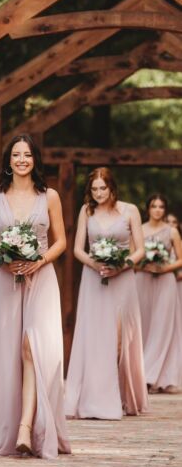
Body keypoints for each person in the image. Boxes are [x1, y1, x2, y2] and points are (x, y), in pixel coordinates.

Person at [0, 134, 71, 459]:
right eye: (16, 155)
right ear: (8, 160)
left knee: (33, 348)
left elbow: (60, 241)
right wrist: (1, 260)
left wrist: (39, 260)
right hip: (5, 281)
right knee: (7, 352)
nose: (22, 160)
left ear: (35, 160)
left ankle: (27, 428)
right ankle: (5, 425)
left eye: (27, 155)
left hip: (41, 280)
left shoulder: (50, 196)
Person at [64, 167, 148, 420]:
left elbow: (140, 251)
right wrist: (95, 265)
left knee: (121, 338)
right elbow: (78, 249)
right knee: (96, 335)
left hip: (123, 280)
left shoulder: (130, 210)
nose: (99, 193)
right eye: (94, 189)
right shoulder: (86, 211)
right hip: (94, 278)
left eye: (103, 188)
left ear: (112, 188)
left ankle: (122, 394)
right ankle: (96, 397)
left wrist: (121, 265)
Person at [136, 194, 182, 393]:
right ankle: (141, 373)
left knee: (162, 328)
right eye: (154, 206)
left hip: (165, 282)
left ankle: (152, 376)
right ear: (148, 209)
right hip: (142, 280)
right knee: (144, 326)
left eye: (161, 206)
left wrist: (164, 268)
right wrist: (144, 265)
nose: (157, 210)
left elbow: (181, 259)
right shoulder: (139, 230)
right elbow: (132, 257)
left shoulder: (172, 232)